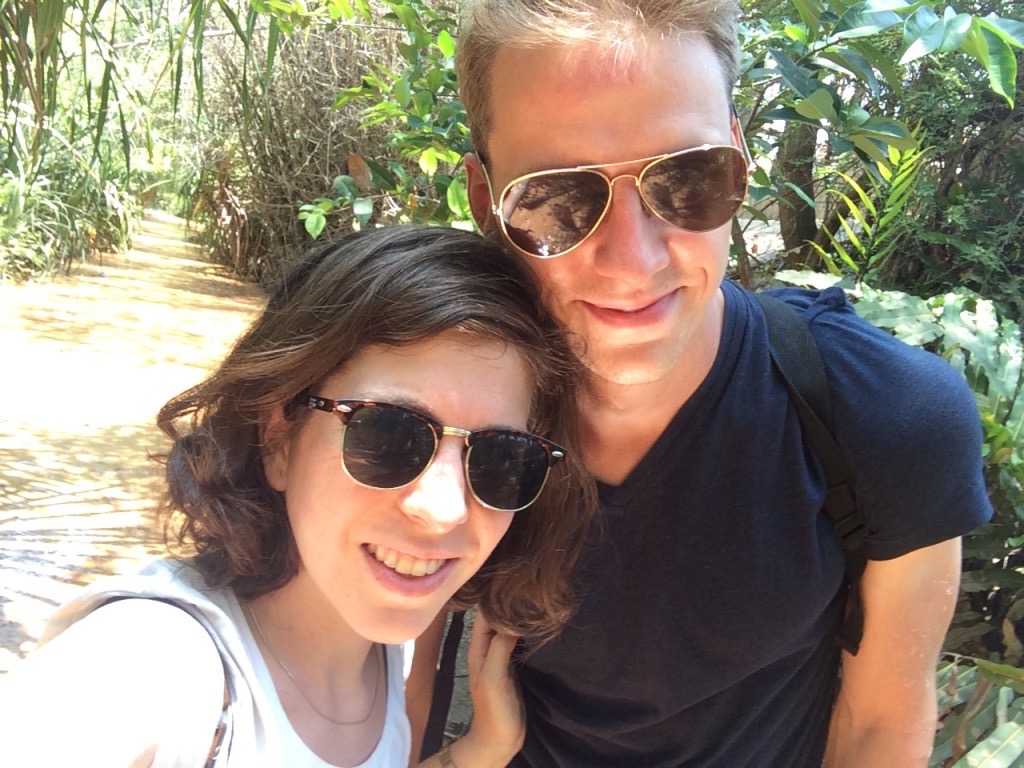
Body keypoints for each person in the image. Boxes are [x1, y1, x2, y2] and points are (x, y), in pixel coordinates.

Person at [422, 1, 995, 765]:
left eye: (686, 178)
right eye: (557, 198)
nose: (633, 261)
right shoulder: (438, 420)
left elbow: (879, 725)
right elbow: (383, 694)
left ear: (738, 158)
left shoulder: (886, 416)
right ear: (485, 201)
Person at [0, 225, 595, 768]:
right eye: (387, 435)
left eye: (500, 458)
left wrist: (483, 749)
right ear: (278, 440)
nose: (443, 511)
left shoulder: (390, 652)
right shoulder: (150, 663)